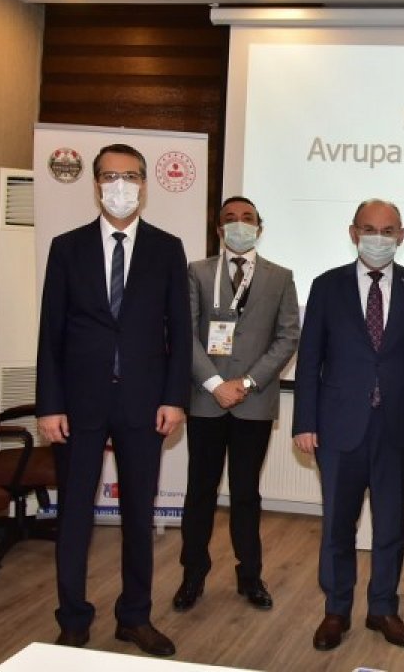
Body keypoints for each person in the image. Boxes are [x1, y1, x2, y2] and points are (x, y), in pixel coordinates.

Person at [36, 143, 191, 657]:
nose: (119, 185)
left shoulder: (167, 248)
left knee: (138, 516)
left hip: (145, 403)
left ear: (144, 184)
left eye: (129, 176)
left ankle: (135, 617)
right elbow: (50, 333)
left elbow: (179, 331)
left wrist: (174, 398)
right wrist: (49, 404)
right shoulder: (67, 247)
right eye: (108, 176)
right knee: (74, 516)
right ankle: (73, 618)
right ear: (96, 184)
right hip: (77, 404)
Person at [293, 198, 404, 652]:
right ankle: (336, 610)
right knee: (338, 525)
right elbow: (310, 359)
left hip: (396, 428)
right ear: (354, 232)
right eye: (370, 229)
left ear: (401, 235)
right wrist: (304, 421)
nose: (379, 238)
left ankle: (383, 609)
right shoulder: (326, 285)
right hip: (339, 428)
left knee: (390, 526)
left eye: (388, 230)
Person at [173, 196, 300, 613]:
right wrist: (215, 384)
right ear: (219, 229)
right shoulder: (197, 272)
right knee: (200, 492)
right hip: (206, 400)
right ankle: (193, 575)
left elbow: (288, 337)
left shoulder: (280, 277)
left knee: (246, 493)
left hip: (253, 402)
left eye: (247, 218)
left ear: (259, 228)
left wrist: (245, 382)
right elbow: (184, 333)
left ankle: (250, 577)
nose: (239, 224)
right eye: (230, 218)